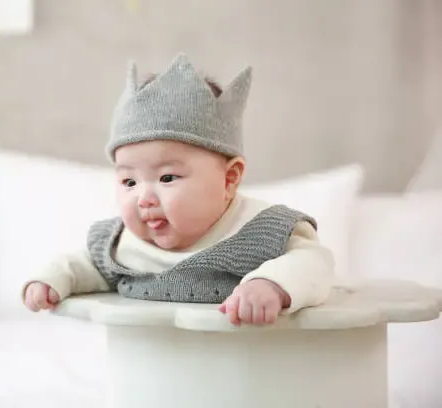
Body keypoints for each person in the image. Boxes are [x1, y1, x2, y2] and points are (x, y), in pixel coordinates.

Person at [22, 53, 335, 326]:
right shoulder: (118, 244)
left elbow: (314, 262)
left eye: (167, 178)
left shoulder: (262, 230)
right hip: (153, 359)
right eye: (129, 182)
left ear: (229, 179)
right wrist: (52, 279)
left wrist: (271, 285)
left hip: (242, 359)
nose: (144, 198)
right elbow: (85, 264)